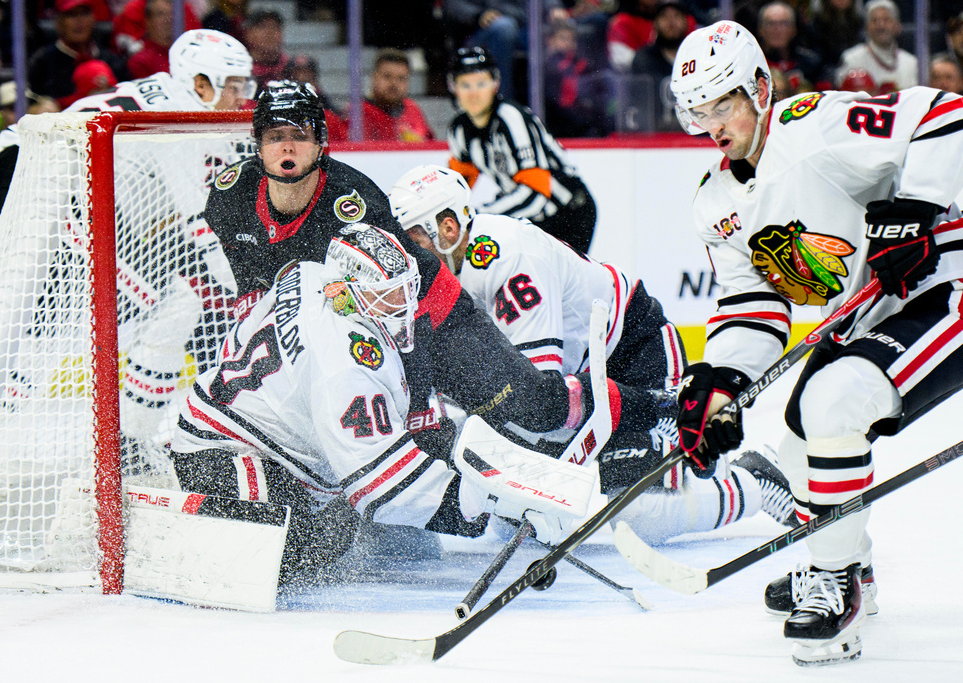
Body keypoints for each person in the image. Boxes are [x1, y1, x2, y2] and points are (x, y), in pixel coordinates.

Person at [669, 20, 963, 665]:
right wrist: (718, 379)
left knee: (831, 403)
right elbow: (753, 305)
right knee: (800, 443)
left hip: (946, 272)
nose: (713, 124)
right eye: (698, 112)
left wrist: (917, 206)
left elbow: (946, 113)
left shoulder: (810, 125)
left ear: (759, 87)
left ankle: (835, 586)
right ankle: (849, 568)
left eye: (723, 104)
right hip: (880, 301)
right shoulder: (715, 201)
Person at [204, 80, 649, 461]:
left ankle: (658, 409)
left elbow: (406, 304)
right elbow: (252, 273)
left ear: (321, 140)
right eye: (275, 134)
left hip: (437, 316)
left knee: (532, 406)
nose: (287, 146)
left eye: (299, 133)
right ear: (257, 143)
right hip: (365, 322)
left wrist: (420, 400)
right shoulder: (228, 196)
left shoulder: (354, 204)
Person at [389, 164, 799, 544]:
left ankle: (751, 481)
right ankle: (677, 466)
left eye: (413, 239)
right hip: (580, 382)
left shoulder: (507, 258)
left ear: (448, 227)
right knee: (508, 520)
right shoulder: (443, 277)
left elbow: (536, 394)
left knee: (640, 513)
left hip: (639, 361)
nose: (408, 256)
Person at [169, 225, 581, 582]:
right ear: (346, 292)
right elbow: (380, 488)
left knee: (334, 537)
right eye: (386, 297)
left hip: (258, 434)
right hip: (224, 448)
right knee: (266, 561)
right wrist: (483, 502)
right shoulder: (347, 360)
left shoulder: (310, 273)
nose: (402, 307)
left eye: (405, 291)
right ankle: (177, 520)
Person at [0, 28, 253, 240]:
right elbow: (198, 222)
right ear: (202, 85)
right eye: (235, 86)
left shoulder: (166, 91)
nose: (242, 98)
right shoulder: (180, 120)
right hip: (37, 175)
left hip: (22, 165)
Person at [446, 46, 598, 254]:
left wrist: (479, 216)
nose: (473, 93)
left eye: (481, 83)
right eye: (465, 84)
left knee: (556, 285)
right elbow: (459, 183)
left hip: (569, 213)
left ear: (495, 84)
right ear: (453, 87)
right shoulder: (459, 129)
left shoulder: (512, 118)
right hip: (531, 219)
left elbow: (536, 193)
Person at [27, 0, 130, 108]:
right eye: (72, 15)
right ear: (59, 22)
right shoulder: (42, 63)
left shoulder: (112, 60)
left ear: (93, 18)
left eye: (84, 13)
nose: (79, 21)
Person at [630, 0, 696, 132]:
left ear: (686, 21)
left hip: (695, 132)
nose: (671, 22)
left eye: (676, 16)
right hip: (656, 135)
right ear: (655, 23)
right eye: (664, 16)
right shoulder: (644, 58)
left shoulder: (697, 57)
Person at [836, 0, 917, 95]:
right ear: (866, 27)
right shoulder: (851, 59)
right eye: (874, 20)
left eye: (886, 20)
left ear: (897, 26)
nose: (881, 26)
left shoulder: (912, 63)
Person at [361, 47, 434, 142]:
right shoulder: (359, 112)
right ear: (374, 77)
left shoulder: (412, 109)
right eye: (387, 76)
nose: (394, 83)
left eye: (401, 78)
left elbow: (430, 146)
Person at [755, 1, 824, 92]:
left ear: (794, 29)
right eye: (771, 23)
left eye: (783, 23)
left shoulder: (811, 64)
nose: (777, 29)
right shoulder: (753, 64)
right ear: (760, 30)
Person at [126, 0, 174, 79]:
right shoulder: (140, 60)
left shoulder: (184, 52)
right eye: (160, 14)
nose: (168, 20)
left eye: (171, 14)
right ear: (148, 21)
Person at [244, 8, 288, 91]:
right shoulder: (240, 68)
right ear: (248, 33)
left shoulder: (291, 68)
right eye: (262, 27)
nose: (269, 32)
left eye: (275, 27)